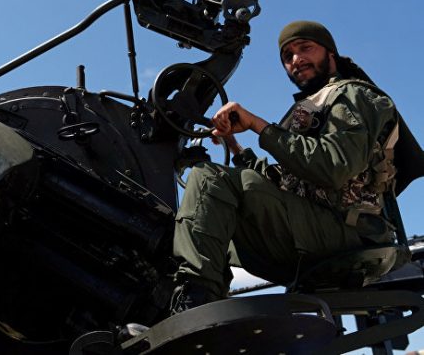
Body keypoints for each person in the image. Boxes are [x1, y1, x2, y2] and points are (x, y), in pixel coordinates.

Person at [170, 20, 400, 312]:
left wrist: (259, 126)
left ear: (330, 53)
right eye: (288, 56)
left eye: (305, 48)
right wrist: (234, 145)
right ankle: (198, 303)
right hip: (317, 225)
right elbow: (285, 183)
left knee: (208, 179)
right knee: (201, 222)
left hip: (350, 233)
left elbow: (335, 166)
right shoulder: (311, 107)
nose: (296, 59)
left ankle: (196, 304)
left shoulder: (351, 95)